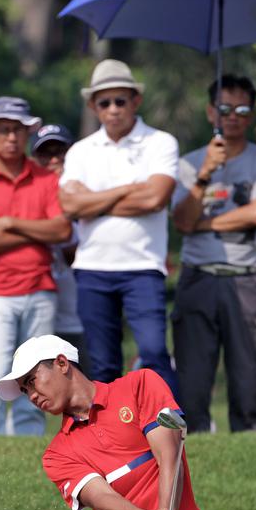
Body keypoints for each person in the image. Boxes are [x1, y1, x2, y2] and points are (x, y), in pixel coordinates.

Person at [0, 335, 210, 510]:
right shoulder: (57, 454)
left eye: (32, 381)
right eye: (25, 390)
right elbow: (101, 497)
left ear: (62, 363)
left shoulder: (140, 384)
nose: (31, 395)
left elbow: (168, 456)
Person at [59, 59, 180, 397]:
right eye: (104, 102)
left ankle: (169, 428)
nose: (113, 109)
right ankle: (111, 438)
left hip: (143, 267)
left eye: (120, 101)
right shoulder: (81, 151)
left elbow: (156, 198)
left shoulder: (160, 142)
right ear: (93, 106)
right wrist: (129, 188)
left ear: (135, 101)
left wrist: (93, 202)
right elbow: (69, 206)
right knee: (102, 364)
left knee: (155, 352)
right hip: (93, 269)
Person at [0, 98, 71, 436]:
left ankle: (25, 445)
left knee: (38, 374)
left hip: (39, 289)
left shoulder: (43, 178)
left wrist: (10, 223)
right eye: (4, 129)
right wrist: (36, 231)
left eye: (18, 130)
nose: (12, 137)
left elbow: (62, 230)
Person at [171, 75, 256, 432]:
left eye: (243, 109)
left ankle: (247, 449)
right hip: (199, 276)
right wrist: (204, 176)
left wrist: (205, 224)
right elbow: (183, 220)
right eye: (225, 108)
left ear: (252, 114)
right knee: (193, 383)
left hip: (247, 279)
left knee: (248, 384)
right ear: (210, 111)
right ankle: (196, 452)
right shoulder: (189, 163)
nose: (233, 116)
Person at [32, 124, 85, 354]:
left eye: (60, 152)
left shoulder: (89, 195)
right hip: (41, 319)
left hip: (82, 320)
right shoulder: (31, 201)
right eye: (45, 153)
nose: (53, 160)